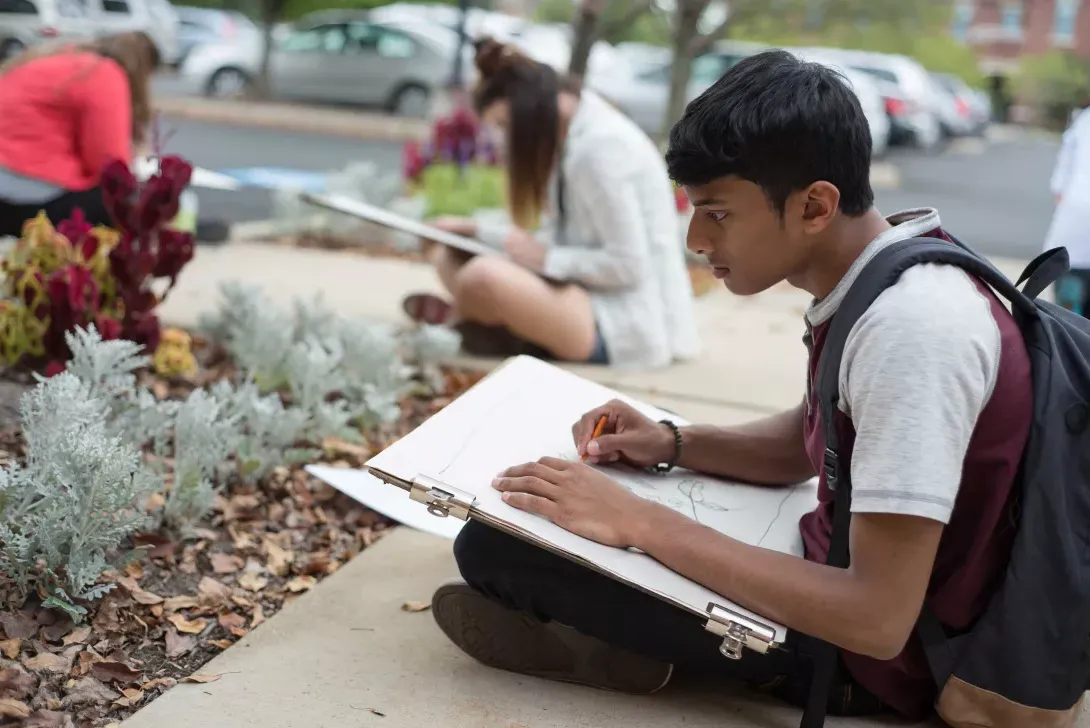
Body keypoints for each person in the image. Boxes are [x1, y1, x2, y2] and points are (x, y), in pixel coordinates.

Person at [429, 49, 1032, 722]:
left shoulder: (912, 332)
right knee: (550, 525)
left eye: (717, 213)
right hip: (837, 580)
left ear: (814, 206)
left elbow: (876, 618)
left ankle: (645, 648)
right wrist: (671, 442)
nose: (693, 237)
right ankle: (630, 643)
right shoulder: (890, 271)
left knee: (496, 550)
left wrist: (637, 523)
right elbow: (805, 441)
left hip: (876, 659)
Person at [403, 38, 699, 369]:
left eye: (503, 124)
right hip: (581, 296)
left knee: (481, 277)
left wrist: (547, 258)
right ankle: (483, 325)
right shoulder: (570, 134)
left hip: (624, 323)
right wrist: (476, 232)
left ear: (528, 108)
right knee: (450, 253)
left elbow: (630, 265)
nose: (501, 138)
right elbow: (563, 236)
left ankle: (471, 322)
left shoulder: (600, 151)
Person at [0, 31, 161, 237]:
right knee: (122, 203)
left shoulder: (54, 59)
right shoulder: (103, 73)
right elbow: (109, 164)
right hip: (27, 199)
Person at [1045, 96, 1090, 315]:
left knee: (1069, 317)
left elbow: (1059, 187)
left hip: (1073, 230)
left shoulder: (1083, 121)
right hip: (1075, 228)